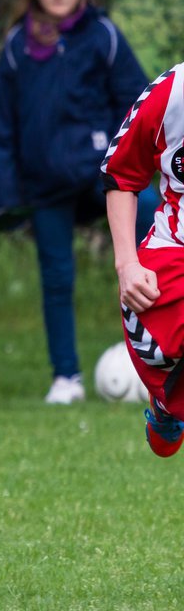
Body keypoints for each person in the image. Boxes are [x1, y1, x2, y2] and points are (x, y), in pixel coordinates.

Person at [0, 0, 157, 405]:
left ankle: (161, 360)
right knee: (57, 277)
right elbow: (1, 126)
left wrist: (127, 159)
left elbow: (140, 103)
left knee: (156, 242)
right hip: (46, 186)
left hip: (104, 178)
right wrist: (8, 198)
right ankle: (66, 377)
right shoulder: (19, 45)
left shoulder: (103, 36)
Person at [101, 62, 184, 457]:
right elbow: (121, 174)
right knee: (160, 349)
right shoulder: (171, 93)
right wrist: (127, 265)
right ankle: (168, 400)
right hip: (174, 256)